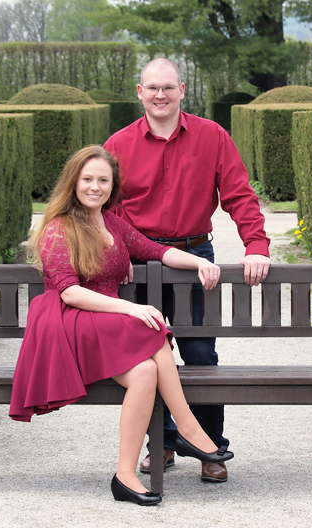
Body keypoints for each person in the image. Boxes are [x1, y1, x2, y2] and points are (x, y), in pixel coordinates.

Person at [9, 145, 233, 506]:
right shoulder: (58, 228)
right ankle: (187, 427)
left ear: (113, 187)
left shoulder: (113, 224)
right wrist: (129, 308)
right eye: (87, 179)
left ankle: (125, 476)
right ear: (74, 182)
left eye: (103, 180)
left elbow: (155, 250)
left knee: (145, 373)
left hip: (103, 321)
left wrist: (198, 263)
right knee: (151, 326)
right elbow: (69, 293)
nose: (95, 186)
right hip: (68, 322)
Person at [103, 58, 271, 483]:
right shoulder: (118, 144)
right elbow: (102, 209)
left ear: (181, 90)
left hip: (195, 259)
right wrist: (116, 255)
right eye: (152, 88)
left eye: (168, 88)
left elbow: (239, 195)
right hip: (138, 266)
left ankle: (211, 449)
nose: (160, 95)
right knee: (147, 359)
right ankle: (160, 445)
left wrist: (256, 245)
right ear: (139, 92)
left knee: (199, 355)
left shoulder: (212, 136)